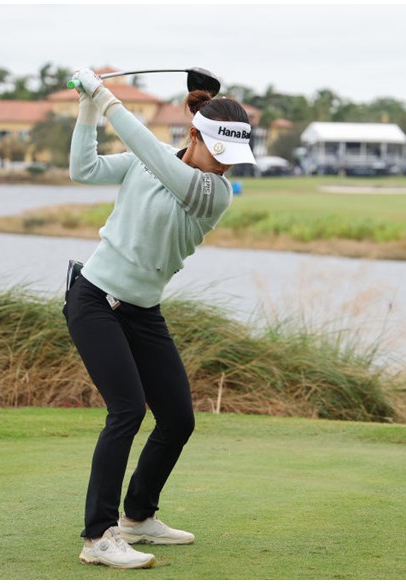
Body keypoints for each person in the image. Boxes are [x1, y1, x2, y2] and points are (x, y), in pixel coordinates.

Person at [63, 68, 256, 569]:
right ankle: (97, 538)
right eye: (221, 154)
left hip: (143, 311)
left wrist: (104, 96)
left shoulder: (213, 193)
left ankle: (138, 517)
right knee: (126, 410)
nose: (227, 167)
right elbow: (83, 171)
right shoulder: (148, 163)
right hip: (95, 300)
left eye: (234, 160)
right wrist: (88, 108)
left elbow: (151, 154)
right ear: (194, 135)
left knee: (177, 418)